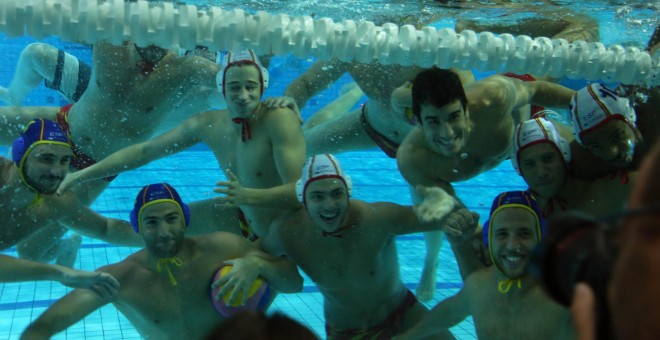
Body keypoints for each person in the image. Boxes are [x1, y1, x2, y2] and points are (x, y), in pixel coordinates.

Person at [56, 49, 305, 239]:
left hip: (283, 232)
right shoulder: (207, 124)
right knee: (149, 232)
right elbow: (145, 151)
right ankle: (57, 217)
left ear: (262, 86)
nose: (242, 96)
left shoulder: (279, 119)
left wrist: (247, 195)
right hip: (240, 214)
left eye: (250, 87)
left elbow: (299, 194)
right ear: (222, 88)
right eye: (234, 87)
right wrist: (81, 176)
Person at [21, 183, 303, 339]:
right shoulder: (121, 278)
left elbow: (294, 282)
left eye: (171, 219)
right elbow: (42, 328)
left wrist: (258, 264)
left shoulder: (224, 247)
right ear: (138, 226)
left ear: (185, 220)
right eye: (152, 222)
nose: (164, 232)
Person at [395, 67, 575, 299]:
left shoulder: (494, 97)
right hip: (500, 149)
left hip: (528, 124)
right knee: (453, 227)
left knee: (582, 156)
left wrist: (584, 102)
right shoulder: (414, 159)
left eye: (453, 116)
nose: (447, 133)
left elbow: (536, 89)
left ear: (466, 110)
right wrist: (487, 244)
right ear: (417, 121)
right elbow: (458, 214)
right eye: (433, 122)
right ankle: (431, 261)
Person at [262, 154, 462, 339]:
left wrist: (448, 205)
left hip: (404, 316)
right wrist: (254, 263)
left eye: (336, 193)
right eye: (318, 196)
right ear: (303, 199)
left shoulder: (377, 219)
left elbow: (457, 217)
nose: (330, 205)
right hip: (347, 332)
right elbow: (255, 252)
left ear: (348, 192)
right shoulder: (288, 233)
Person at [0, 40, 222, 206]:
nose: (205, 58)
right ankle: (13, 95)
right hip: (91, 105)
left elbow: (232, 86)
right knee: (36, 53)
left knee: (40, 235)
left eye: (209, 55)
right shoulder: (146, 53)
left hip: (103, 157)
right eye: (201, 51)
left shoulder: (201, 93)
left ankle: (69, 246)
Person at [394, 191, 575, 340]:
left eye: (524, 233)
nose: (513, 245)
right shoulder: (479, 286)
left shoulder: (561, 295)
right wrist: (406, 337)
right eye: (502, 234)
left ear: (540, 239)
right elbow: (449, 313)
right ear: (490, 240)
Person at [0, 118, 141, 282]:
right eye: (46, 158)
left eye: (64, 160)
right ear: (19, 153)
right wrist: (57, 273)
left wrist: (166, 237)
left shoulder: (57, 200)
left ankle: (68, 246)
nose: (57, 172)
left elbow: (104, 228)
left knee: (30, 254)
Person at [512, 116, 635, 218]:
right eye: (529, 164)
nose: (541, 173)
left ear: (564, 155)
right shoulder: (518, 214)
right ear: (518, 169)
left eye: (548, 159)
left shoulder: (610, 191)